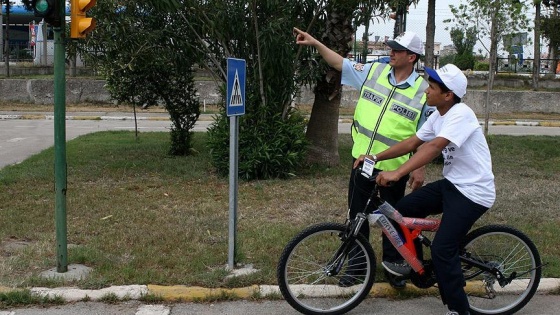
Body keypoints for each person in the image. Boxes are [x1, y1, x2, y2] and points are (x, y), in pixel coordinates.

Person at [293, 27, 434, 288]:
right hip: (362, 161)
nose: (390, 52)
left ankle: (394, 270)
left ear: (411, 57)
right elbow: (340, 63)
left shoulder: (422, 91)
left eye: (397, 50)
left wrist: (419, 167)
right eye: (390, 48)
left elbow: (424, 134)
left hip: (394, 168)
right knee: (357, 215)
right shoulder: (374, 71)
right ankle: (357, 267)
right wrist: (315, 43)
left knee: (393, 219)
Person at [355, 64, 495, 315]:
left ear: (448, 94)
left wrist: (398, 173)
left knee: (443, 249)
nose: (426, 91)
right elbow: (413, 141)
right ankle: (419, 267)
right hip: (453, 185)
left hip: (473, 193)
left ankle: (458, 310)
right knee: (401, 211)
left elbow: (433, 148)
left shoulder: (461, 114)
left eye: (431, 87)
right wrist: (374, 157)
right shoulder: (438, 115)